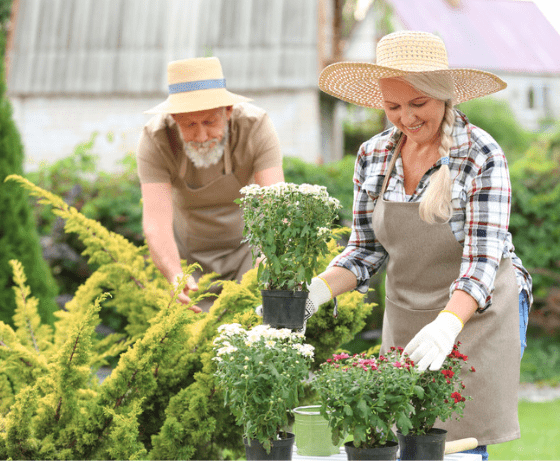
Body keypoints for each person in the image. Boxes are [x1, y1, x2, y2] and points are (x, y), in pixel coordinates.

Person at [301, 31, 533, 459]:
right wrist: (314, 293)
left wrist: (448, 325)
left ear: (443, 95)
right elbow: (365, 250)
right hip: (407, 314)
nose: (405, 118)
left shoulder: (481, 154)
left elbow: (483, 259)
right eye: (393, 107)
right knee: (402, 443)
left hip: (476, 312)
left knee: (459, 445)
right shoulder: (373, 155)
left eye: (418, 103)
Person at [137, 57, 284, 312]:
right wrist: (175, 274)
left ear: (228, 110)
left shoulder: (256, 127)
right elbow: (155, 222)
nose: (202, 136)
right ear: (174, 117)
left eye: (209, 122)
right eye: (189, 125)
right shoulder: (155, 139)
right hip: (188, 260)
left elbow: (276, 204)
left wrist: (269, 258)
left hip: (249, 252)